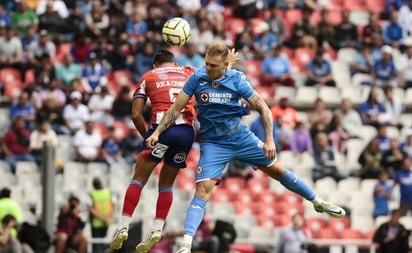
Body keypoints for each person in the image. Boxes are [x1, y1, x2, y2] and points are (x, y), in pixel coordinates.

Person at [145, 42, 346, 253]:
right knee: (203, 189)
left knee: (278, 171)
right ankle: (186, 243)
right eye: (206, 63)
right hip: (214, 143)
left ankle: (316, 201)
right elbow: (175, 109)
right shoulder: (198, 78)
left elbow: (265, 110)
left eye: (213, 65)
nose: (208, 68)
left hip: (240, 137)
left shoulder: (237, 80)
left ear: (224, 65)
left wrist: (270, 140)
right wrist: (158, 132)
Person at [110, 48, 238, 253]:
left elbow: (135, 114)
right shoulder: (188, 71)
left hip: (163, 129)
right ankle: (157, 228)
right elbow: (216, 76)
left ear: (155, 65)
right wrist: (228, 63)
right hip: (187, 134)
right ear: (175, 63)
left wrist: (148, 137)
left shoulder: (148, 76)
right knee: (167, 184)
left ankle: (123, 226)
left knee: (139, 179)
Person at [87, 177, 116, 253]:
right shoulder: (108, 192)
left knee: (98, 244)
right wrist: (106, 218)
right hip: (105, 221)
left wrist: (103, 218)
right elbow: (114, 206)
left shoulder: (92, 193)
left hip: (97, 222)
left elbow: (90, 208)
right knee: (100, 244)